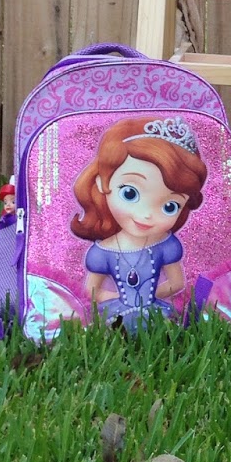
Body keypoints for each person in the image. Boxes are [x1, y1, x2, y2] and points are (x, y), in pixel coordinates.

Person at [70, 116, 208, 330]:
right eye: (130, 193)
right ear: (102, 182)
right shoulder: (101, 252)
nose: (146, 215)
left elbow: (177, 283)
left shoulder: (166, 245)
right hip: (118, 310)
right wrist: (122, 298)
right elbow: (92, 291)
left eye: (170, 206)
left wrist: (147, 298)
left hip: (153, 309)